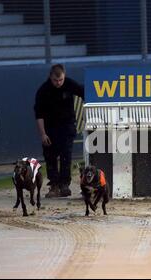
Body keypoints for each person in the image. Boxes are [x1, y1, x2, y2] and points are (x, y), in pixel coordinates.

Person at [34, 64, 84, 198]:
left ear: (64, 76)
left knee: (66, 155)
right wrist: (43, 134)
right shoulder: (43, 90)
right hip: (50, 128)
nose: (58, 83)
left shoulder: (70, 84)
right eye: (56, 80)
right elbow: (39, 115)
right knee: (50, 156)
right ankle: (54, 185)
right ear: (50, 77)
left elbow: (85, 92)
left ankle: (64, 185)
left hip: (67, 126)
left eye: (61, 80)